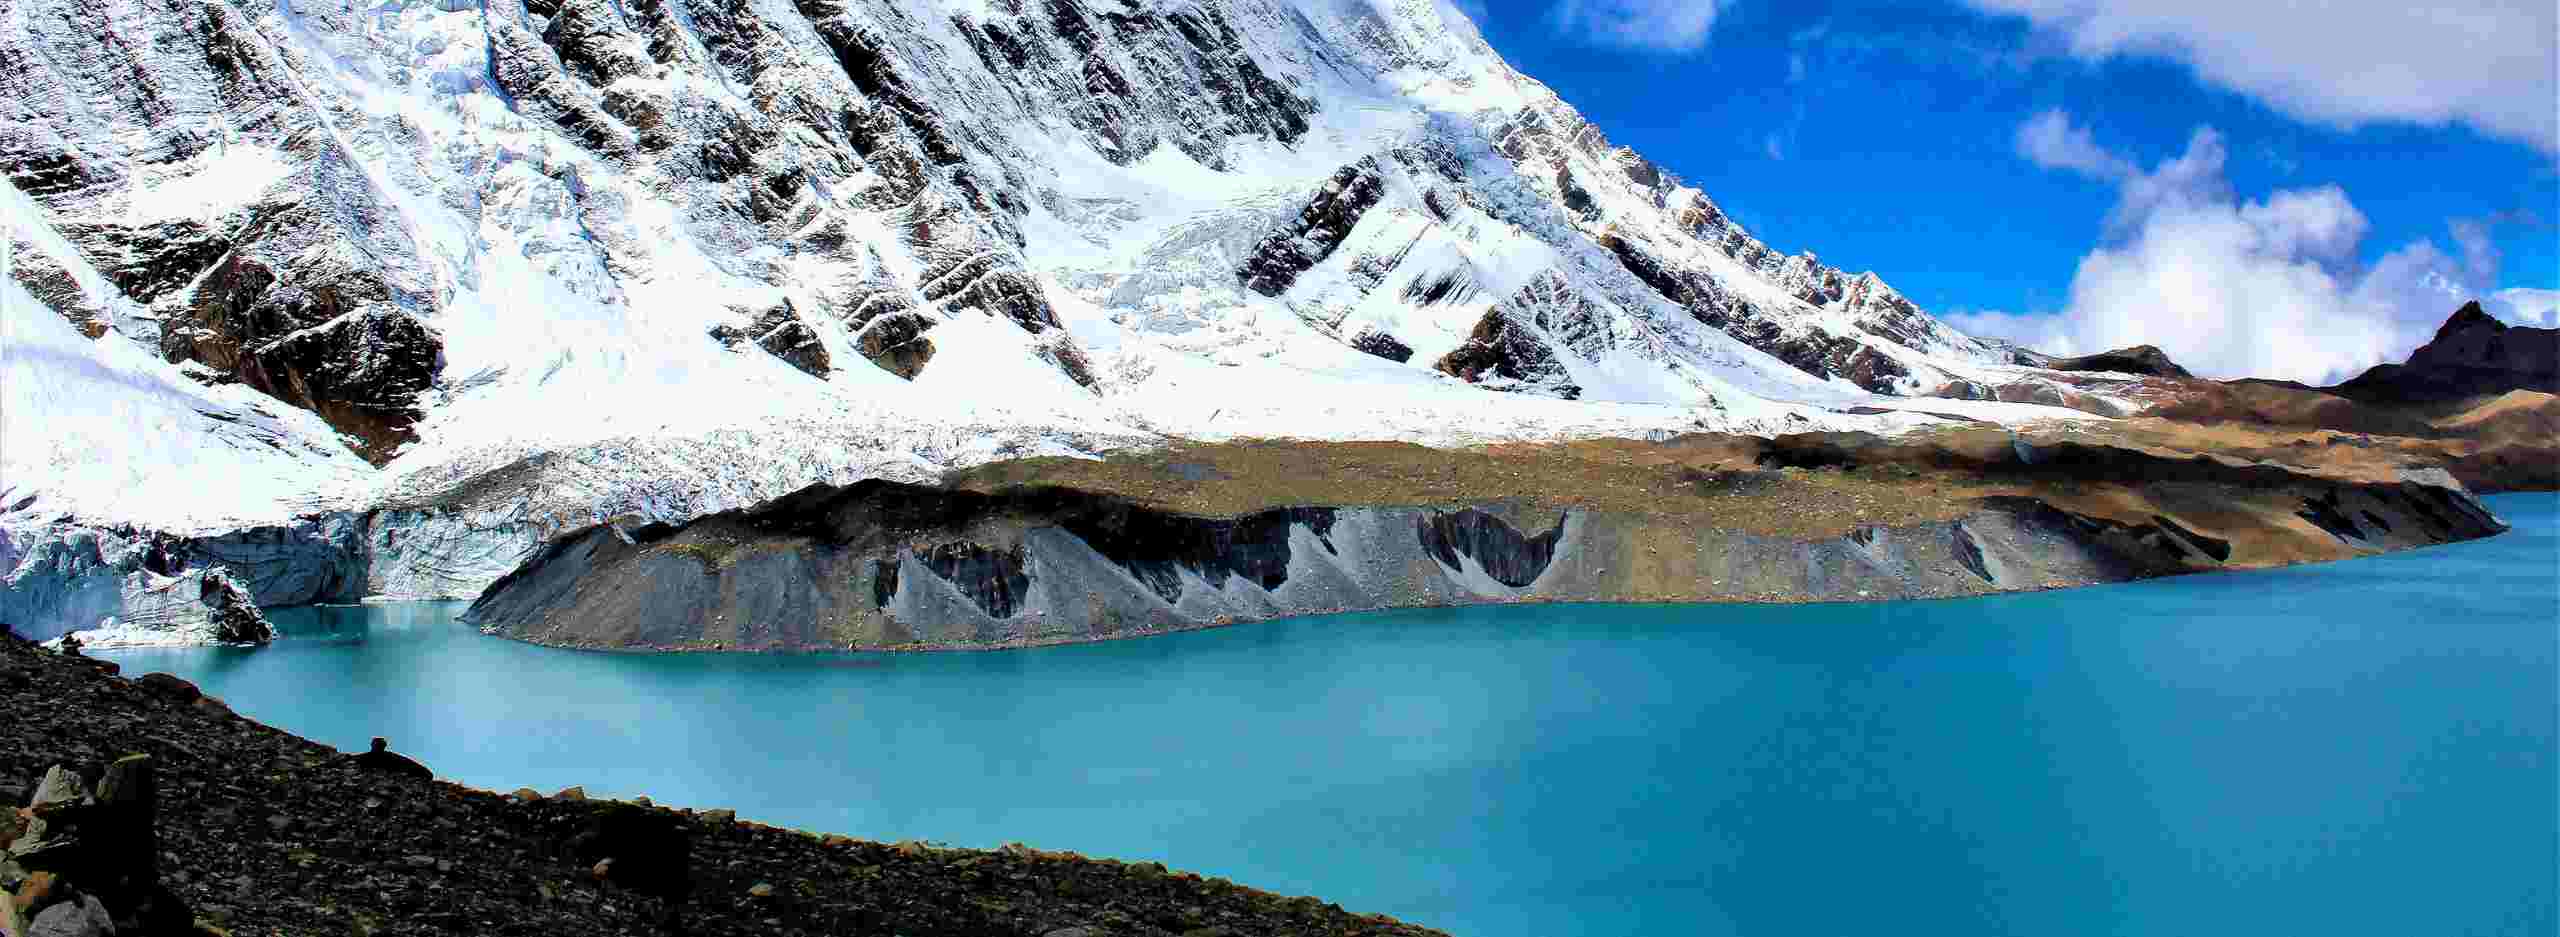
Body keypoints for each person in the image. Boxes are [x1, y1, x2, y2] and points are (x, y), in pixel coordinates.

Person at [352, 737, 431, 779]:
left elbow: (413, 766)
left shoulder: (392, 757)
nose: (378, 746)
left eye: (380, 744)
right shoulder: (366, 757)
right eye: (377, 744)